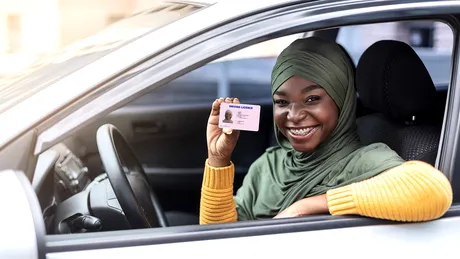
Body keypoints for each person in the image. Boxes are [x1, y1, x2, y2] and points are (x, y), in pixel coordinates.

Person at [199, 37, 453, 224]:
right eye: (282, 102)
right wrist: (218, 160)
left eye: (312, 100)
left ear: (342, 101)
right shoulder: (269, 165)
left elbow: (433, 190)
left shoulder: (364, 161)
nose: (294, 116)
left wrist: (307, 207)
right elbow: (217, 239)